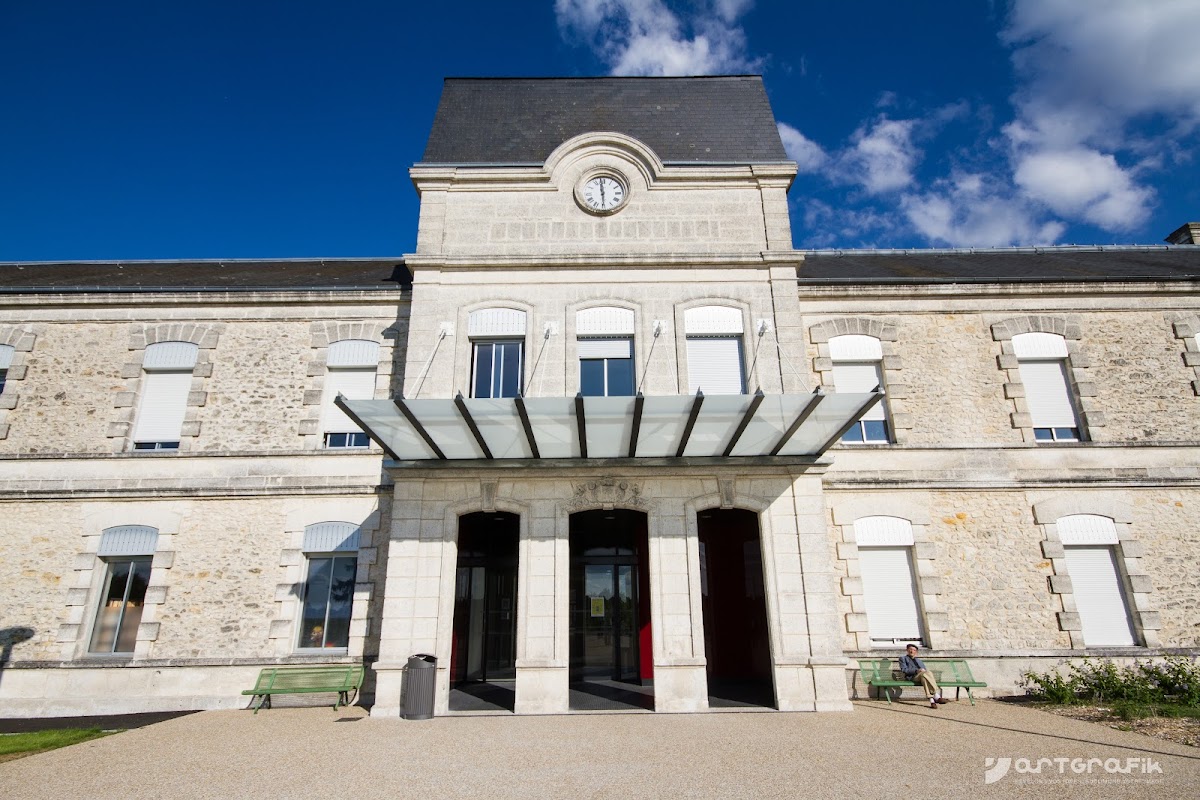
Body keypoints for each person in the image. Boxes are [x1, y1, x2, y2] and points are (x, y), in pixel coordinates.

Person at [899, 643, 947, 708]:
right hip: (912, 677)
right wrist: (916, 671)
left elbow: (924, 670)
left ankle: (932, 701)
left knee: (925, 677)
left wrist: (922, 671)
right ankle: (936, 695)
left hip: (922, 676)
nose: (912, 651)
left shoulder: (919, 660)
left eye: (914, 650)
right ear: (907, 650)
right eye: (910, 649)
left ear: (916, 652)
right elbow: (904, 670)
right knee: (926, 674)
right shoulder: (903, 659)